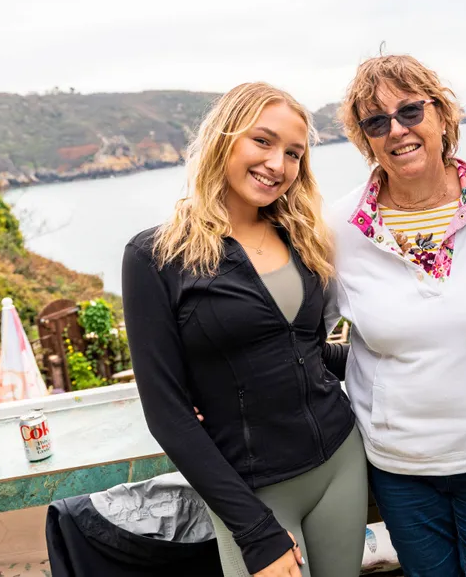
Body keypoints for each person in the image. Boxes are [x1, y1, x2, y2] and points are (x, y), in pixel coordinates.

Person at [122, 82, 366, 577]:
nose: (278, 164)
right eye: (263, 141)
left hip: (342, 460)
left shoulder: (299, 236)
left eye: (294, 153)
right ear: (223, 139)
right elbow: (167, 414)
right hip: (253, 490)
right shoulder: (156, 256)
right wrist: (254, 532)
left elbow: (310, 354)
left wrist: (399, 355)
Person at [325, 54, 466, 576]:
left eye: (411, 111)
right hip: (400, 469)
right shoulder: (339, 228)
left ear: (442, 114)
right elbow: (295, 332)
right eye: (377, 122)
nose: (397, 130)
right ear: (365, 138)